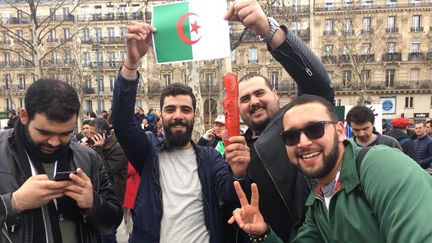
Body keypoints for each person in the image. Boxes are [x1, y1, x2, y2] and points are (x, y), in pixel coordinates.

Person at [111, 22, 251, 243]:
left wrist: (240, 174)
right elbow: (121, 120)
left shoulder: (211, 158)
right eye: (170, 109)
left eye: (185, 110)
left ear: (194, 115)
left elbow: (231, 196)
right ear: (161, 115)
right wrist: (131, 62)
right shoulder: (147, 153)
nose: (178, 115)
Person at [229, 94, 432, 243]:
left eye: (314, 129)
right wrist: (262, 232)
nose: (303, 142)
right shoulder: (318, 200)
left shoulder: (381, 165)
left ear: (340, 131)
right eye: (291, 136)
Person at [224, 0, 334, 241]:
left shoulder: (300, 124)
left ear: (275, 94)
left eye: (259, 93)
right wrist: (239, 175)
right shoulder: (235, 149)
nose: (253, 101)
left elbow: (318, 85)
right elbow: (238, 208)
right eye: (245, 98)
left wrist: (268, 30)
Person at [0, 78, 122, 242]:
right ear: (24, 116)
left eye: (65, 133)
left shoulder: (89, 158)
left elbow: (111, 223)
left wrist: (94, 203)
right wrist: (13, 203)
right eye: (45, 132)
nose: (54, 142)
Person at [88, 118, 128, 243]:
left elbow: (105, 170)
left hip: (113, 195)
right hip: (97, 194)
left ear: (103, 133)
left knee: (107, 233)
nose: (90, 137)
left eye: (93, 134)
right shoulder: (95, 145)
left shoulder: (119, 147)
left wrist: (98, 149)